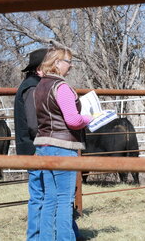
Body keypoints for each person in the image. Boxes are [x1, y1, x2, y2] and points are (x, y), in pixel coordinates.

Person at [33, 47, 92, 240]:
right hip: (62, 147)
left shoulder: (40, 86)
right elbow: (73, 121)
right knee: (65, 200)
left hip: (43, 146)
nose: (71, 65)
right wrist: (90, 118)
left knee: (49, 198)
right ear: (57, 63)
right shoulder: (62, 87)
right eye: (68, 61)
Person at [14, 48, 48, 241]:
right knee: (39, 195)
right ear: (40, 68)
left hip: (34, 146)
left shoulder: (33, 85)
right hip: (36, 148)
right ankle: (34, 237)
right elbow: (34, 124)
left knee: (42, 194)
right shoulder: (33, 87)